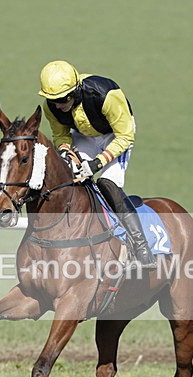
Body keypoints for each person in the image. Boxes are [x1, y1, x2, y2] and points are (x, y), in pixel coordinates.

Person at [38, 60, 156, 269]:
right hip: (85, 136)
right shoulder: (52, 107)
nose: (57, 106)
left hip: (116, 136)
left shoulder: (105, 95)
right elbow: (61, 135)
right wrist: (65, 152)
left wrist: (97, 163)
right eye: (52, 100)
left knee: (108, 183)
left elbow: (125, 136)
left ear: (76, 90)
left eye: (62, 99)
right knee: (71, 177)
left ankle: (141, 247)